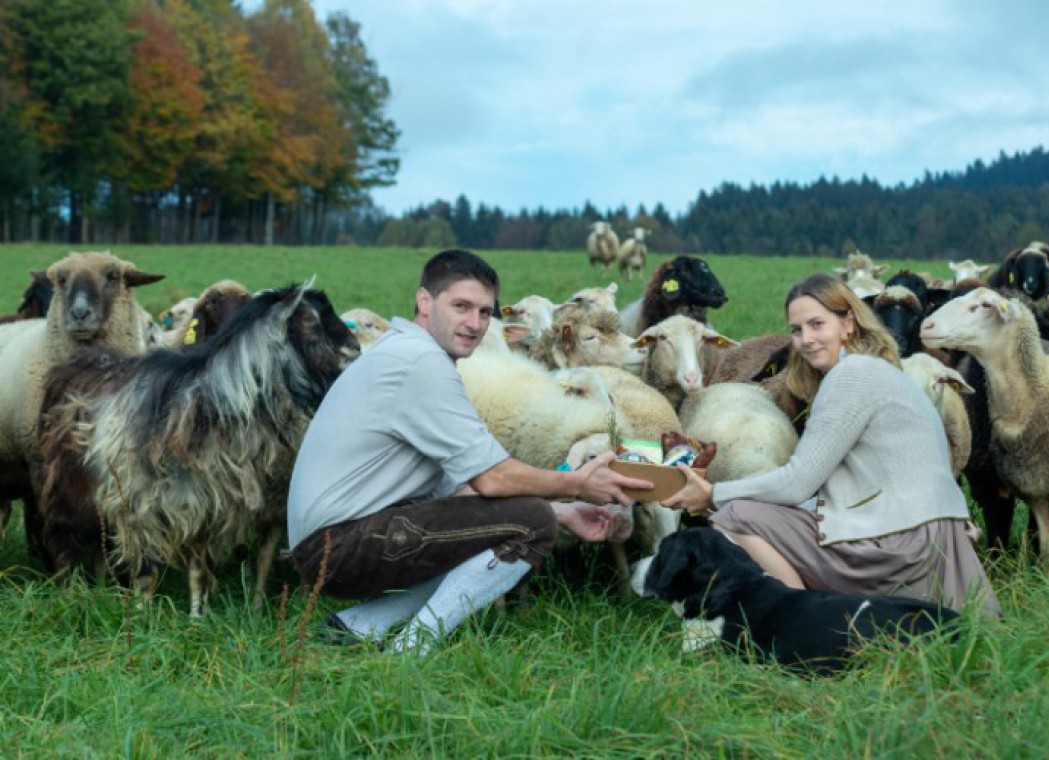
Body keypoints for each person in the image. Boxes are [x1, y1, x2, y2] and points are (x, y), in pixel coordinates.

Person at [287, 249, 652, 654]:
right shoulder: (420, 362)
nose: (475, 324)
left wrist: (562, 511)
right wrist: (577, 485)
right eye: (461, 306)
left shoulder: (407, 354)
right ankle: (411, 650)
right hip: (336, 547)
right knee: (530, 524)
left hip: (333, 541)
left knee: (514, 521)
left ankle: (356, 627)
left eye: (484, 312)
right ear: (425, 301)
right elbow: (491, 478)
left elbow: (458, 487)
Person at [663, 272, 1000, 617]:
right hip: (934, 546)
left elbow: (797, 483)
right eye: (797, 330)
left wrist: (712, 494)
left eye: (817, 324)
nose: (806, 339)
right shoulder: (881, 370)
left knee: (734, 515)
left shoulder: (850, 375)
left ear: (849, 323)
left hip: (900, 549)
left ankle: (800, 619)